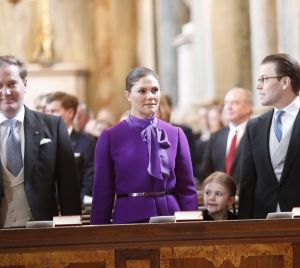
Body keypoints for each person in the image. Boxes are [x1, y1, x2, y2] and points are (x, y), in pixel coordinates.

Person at [91, 66, 198, 224]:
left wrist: (192, 226)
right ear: (128, 95)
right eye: (142, 91)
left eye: (155, 90)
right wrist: (98, 236)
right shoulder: (110, 137)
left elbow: (186, 188)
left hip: (171, 218)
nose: (150, 96)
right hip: (129, 219)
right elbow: (102, 193)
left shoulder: (176, 134)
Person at [0, 55, 81, 228]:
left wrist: (71, 236)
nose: (5, 92)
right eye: (0, 85)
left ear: (25, 84)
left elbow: (69, 190)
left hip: (42, 233)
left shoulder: (54, 126)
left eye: (12, 84)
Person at [238, 53, 300, 219]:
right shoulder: (255, 126)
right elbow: (247, 183)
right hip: (263, 220)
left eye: (264, 79)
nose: (258, 86)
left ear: (285, 82)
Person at [46, 92, 96, 201]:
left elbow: (90, 181)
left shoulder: (87, 143)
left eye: (53, 111)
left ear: (70, 113)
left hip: (75, 209)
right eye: (47, 111)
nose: (48, 115)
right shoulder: (41, 142)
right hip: (46, 209)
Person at [199, 87, 253, 184]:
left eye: (235, 103)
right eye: (226, 103)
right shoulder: (216, 137)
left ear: (248, 107)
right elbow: (206, 171)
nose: (228, 107)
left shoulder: (256, 134)